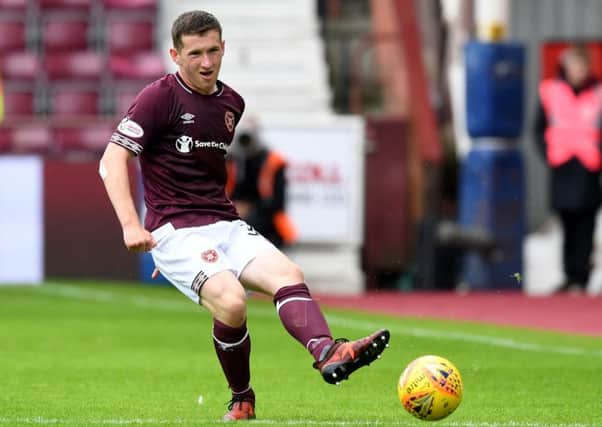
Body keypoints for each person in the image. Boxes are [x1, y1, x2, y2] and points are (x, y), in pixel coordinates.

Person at [99, 10, 389, 422]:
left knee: (289, 274)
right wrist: (131, 223)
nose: (206, 62)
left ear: (223, 48)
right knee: (233, 302)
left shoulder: (231, 103)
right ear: (175, 55)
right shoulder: (159, 97)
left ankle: (327, 352)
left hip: (225, 223)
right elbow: (112, 159)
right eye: (195, 53)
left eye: (213, 50)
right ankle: (242, 396)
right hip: (176, 232)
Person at [534, 45, 602, 294]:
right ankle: (569, 273)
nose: (578, 71)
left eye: (582, 66)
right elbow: (538, 128)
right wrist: (548, 153)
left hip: (588, 166)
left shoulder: (597, 93)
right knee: (567, 222)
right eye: (575, 66)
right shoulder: (551, 91)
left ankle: (582, 276)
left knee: (586, 223)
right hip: (562, 165)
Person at [226, 127, 297, 248]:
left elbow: (278, 202)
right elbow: (232, 190)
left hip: (268, 221)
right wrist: (237, 205)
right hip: (243, 213)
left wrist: (249, 207)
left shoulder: (272, 162)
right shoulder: (233, 161)